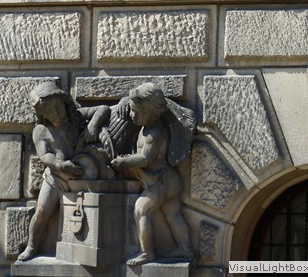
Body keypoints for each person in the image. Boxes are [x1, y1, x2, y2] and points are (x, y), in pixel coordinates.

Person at [18, 82, 110, 261]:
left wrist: (93, 125)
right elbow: (45, 155)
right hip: (56, 178)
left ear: (64, 102)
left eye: (58, 107)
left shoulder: (76, 118)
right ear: (42, 114)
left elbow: (103, 109)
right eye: (50, 111)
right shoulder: (41, 131)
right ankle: (32, 246)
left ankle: (89, 248)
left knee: (93, 211)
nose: (56, 113)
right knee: (42, 212)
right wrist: (60, 165)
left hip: (81, 177)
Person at [111, 83, 192, 266]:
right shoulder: (146, 129)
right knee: (173, 215)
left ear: (152, 112)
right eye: (132, 110)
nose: (132, 115)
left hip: (160, 182)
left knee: (141, 209)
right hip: (168, 180)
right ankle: (185, 248)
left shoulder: (153, 134)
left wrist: (123, 162)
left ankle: (147, 253)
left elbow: (145, 159)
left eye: (136, 111)